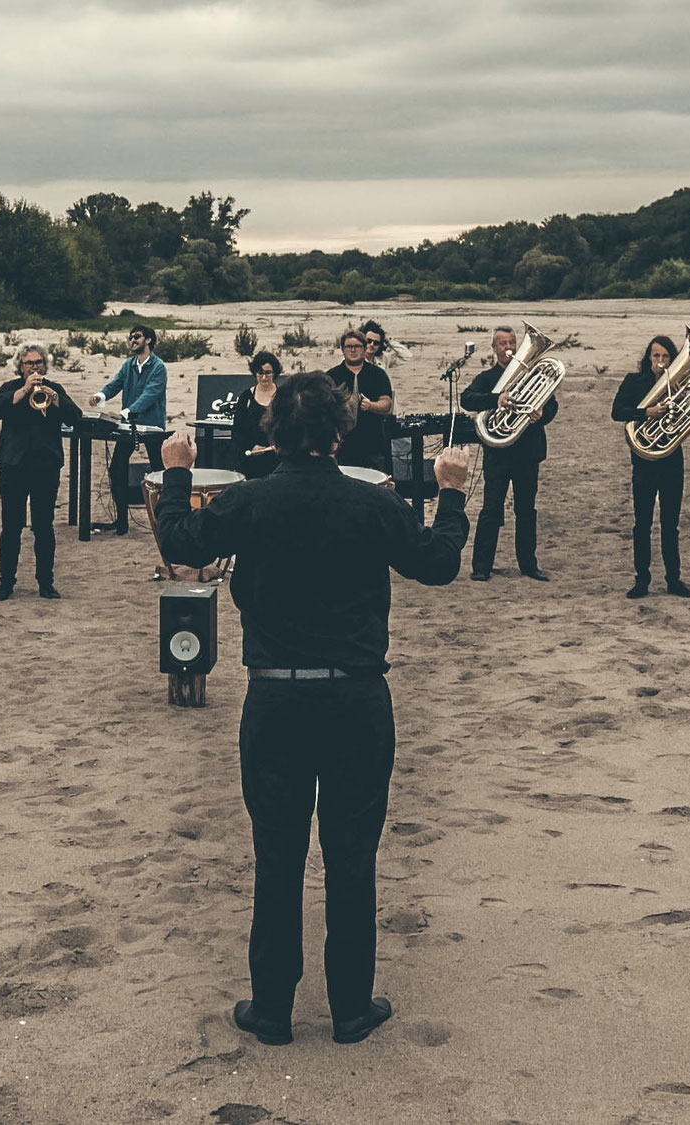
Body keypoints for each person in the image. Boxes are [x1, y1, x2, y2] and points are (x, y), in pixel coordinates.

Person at [152, 372, 471, 1048]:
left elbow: (180, 542)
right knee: (352, 854)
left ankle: (272, 1008)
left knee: (278, 853)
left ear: (274, 434)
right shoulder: (371, 504)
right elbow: (439, 564)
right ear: (338, 430)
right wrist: (450, 491)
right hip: (356, 698)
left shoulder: (249, 501)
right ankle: (350, 1008)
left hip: (276, 697)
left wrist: (175, 472)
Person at [460, 325, 557, 581]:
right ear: (494, 349)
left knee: (526, 511)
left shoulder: (533, 375)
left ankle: (528, 565)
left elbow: (552, 405)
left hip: (528, 452)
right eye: (502, 343)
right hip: (498, 454)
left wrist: (541, 414)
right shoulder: (488, 377)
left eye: (512, 342)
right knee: (491, 509)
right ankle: (481, 567)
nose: (508, 347)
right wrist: (496, 400)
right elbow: (466, 399)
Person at [0, 343, 84, 600]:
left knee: (44, 527)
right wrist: (23, 391)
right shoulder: (10, 388)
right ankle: (6, 583)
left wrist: (53, 398)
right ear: (20, 366)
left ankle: (46, 582)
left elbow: (76, 417)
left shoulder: (55, 389)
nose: (35, 367)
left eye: (39, 362)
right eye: (29, 363)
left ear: (46, 364)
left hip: (45, 466)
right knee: (11, 527)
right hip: (13, 466)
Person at [610, 335, 690, 598]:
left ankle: (674, 580)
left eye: (666, 356)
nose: (660, 361)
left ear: (672, 359)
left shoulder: (679, 385)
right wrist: (645, 412)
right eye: (655, 356)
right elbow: (617, 411)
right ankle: (642, 581)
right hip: (644, 461)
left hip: (671, 461)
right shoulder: (634, 382)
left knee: (671, 525)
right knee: (642, 524)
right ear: (648, 358)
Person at [89, 324, 168, 535]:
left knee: (159, 471)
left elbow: (150, 394)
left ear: (148, 340)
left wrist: (126, 412)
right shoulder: (128, 365)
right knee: (117, 468)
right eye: (131, 337)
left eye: (137, 337)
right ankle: (121, 521)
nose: (132, 340)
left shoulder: (158, 367)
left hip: (151, 427)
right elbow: (115, 384)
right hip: (129, 425)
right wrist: (101, 396)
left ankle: (164, 520)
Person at [325, 329, 394, 474]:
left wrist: (371, 406)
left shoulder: (378, 374)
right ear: (342, 350)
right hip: (342, 447)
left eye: (357, 346)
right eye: (349, 346)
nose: (353, 350)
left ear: (364, 349)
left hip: (373, 443)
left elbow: (387, 404)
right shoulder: (331, 376)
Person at [237, 351, 282, 480]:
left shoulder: (283, 397)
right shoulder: (246, 397)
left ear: (274, 373)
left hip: (277, 462)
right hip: (252, 462)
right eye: (260, 373)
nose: (264, 377)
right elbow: (238, 430)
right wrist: (250, 446)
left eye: (268, 373)